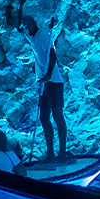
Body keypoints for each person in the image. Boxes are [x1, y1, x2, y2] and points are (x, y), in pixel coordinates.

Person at [21, 17, 68, 160]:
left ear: (34, 23)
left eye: (28, 25)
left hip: (53, 81)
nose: (26, 28)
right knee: (43, 117)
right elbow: (18, 27)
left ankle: (62, 153)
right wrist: (21, 5)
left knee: (57, 115)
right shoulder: (31, 37)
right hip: (43, 83)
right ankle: (50, 154)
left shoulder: (43, 36)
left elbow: (52, 55)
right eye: (25, 26)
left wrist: (48, 74)